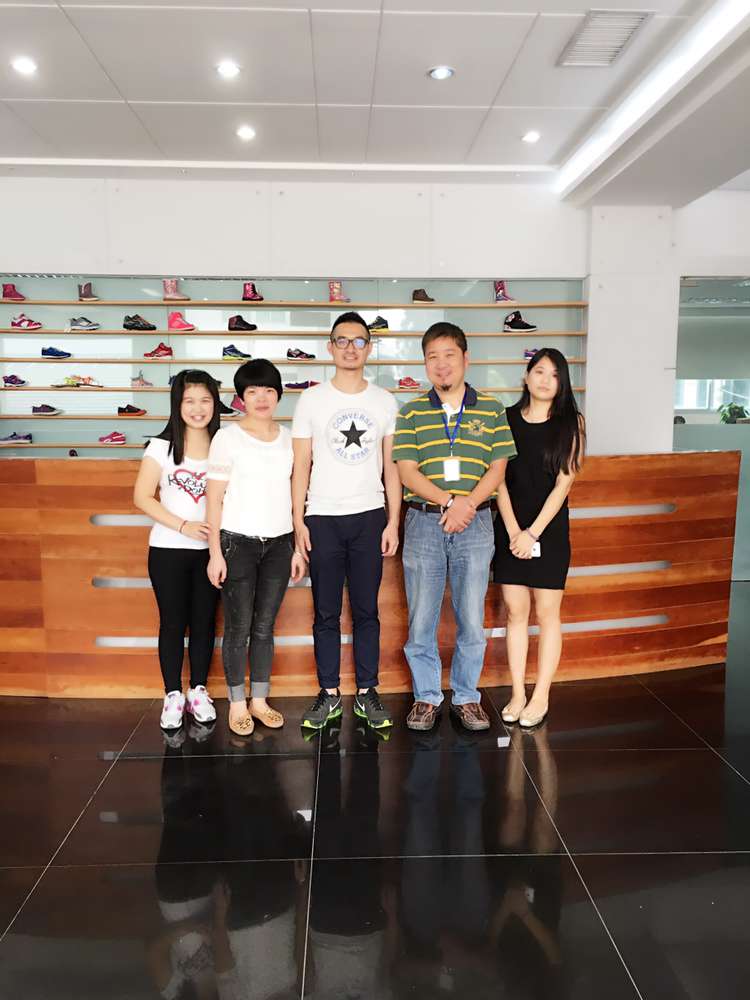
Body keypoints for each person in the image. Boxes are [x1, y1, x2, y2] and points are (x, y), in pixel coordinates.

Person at [394, 322, 516, 732]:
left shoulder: (492, 409)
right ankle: (427, 697)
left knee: (471, 619)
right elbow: (407, 472)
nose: (441, 364)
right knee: (421, 620)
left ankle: (466, 697)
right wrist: (450, 501)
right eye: (433, 357)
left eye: (449, 355)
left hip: (476, 524)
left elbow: (497, 468)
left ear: (466, 358)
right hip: (424, 523)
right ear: (425, 363)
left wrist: (468, 504)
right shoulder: (411, 412)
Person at [292, 311, 401, 731]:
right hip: (322, 516)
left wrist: (393, 521)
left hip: (369, 516)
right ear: (330, 347)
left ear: (369, 348)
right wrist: (299, 521)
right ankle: (329, 693)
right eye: (342, 340)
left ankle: (368, 692)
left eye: (358, 341)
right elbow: (301, 465)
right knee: (325, 611)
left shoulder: (384, 401)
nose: (350, 348)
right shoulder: (311, 400)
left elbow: (391, 467)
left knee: (366, 610)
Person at [206, 359, 305, 737]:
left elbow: (295, 495)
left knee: (264, 627)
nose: (261, 398)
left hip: (280, 544)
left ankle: (259, 700)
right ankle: (236, 704)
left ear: (278, 395)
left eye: (268, 390)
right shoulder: (227, 438)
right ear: (241, 398)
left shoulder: (289, 438)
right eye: (252, 391)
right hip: (237, 543)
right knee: (238, 627)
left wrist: (296, 548)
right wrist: (215, 552)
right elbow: (213, 498)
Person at [493, 348, 585, 728]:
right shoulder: (505, 419)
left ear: (562, 383)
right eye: (540, 371)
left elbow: (565, 483)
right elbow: (497, 480)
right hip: (509, 529)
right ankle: (517, 693)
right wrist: (515, 531)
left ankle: (541, 695)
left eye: (555, 375)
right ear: (526, 376)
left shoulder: (571, 423)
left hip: (549, 531)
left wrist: (532, 533)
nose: (547, 380)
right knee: (516, 612)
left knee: (547, 615)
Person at [134, 369, 221, 731]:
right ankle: (172, 694)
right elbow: (142, 497)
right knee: (172, 623)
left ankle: (198, 690)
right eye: (189, 401)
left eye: (205, 400)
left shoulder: (224, 444)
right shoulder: (161, 447)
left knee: (204, 622)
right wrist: (183, 525)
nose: (198, 408)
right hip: (168, 550)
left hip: (211, 552)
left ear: (215, 404)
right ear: (177, 404)